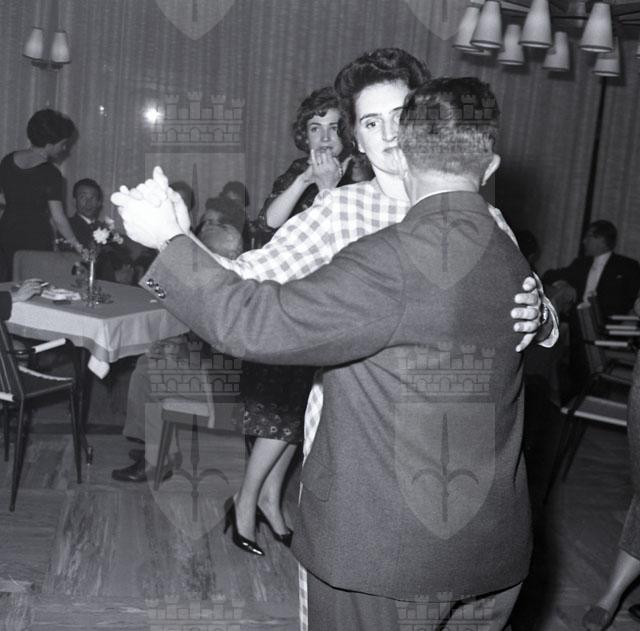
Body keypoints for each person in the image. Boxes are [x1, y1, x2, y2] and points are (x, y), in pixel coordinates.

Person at [113, 46, 557, 626]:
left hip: (436, 513)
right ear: (358, 142)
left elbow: (523, 310)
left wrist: (541, 317)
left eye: (400, 116)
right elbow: (243, 285)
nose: (389, 134)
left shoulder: (483, 217)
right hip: (359, 477)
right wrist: (177, 238)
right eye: (371, 123)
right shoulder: (339, 212)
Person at [228, 86, 360, 556]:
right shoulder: (297, 173)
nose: (324, 137)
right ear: (304, 135)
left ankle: (269, 499)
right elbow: (268, 223)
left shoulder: (360, 177)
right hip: (287, 304)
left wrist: (330, 187)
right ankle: (245, 502)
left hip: (329, 306)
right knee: (280, 413)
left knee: (299, 415)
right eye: (314, 128)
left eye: (333, 128)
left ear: (347, 135)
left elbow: (346, 244)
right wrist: (308, 180)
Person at [110, 214, 243, 483]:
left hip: (227, 383)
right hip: (216, 367)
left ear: (229, 255)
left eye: (207, 253)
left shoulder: (231, 286)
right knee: (148, 362)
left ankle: (156, 460)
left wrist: (182, 350)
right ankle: (160, 449)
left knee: (150, 373)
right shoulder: (226, 277)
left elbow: (223, 343)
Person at [0, 109, 82, 277]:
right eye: (63, 143)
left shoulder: (7, 160)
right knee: (34, 283)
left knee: (9, 281)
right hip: (35, 237)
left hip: (6, 232)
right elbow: (58, 218)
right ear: (49, 144)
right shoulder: (51, 174)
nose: (64, 148)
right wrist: (76, 243)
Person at [543, 220, 640, 318]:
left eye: (589, 237)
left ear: (602, 240)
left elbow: (632, 299)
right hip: (577, 319)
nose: (584, 241)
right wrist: (562, 283)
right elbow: (549, 275)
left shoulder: (627, 266)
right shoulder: (581, 263)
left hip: (610, 322)